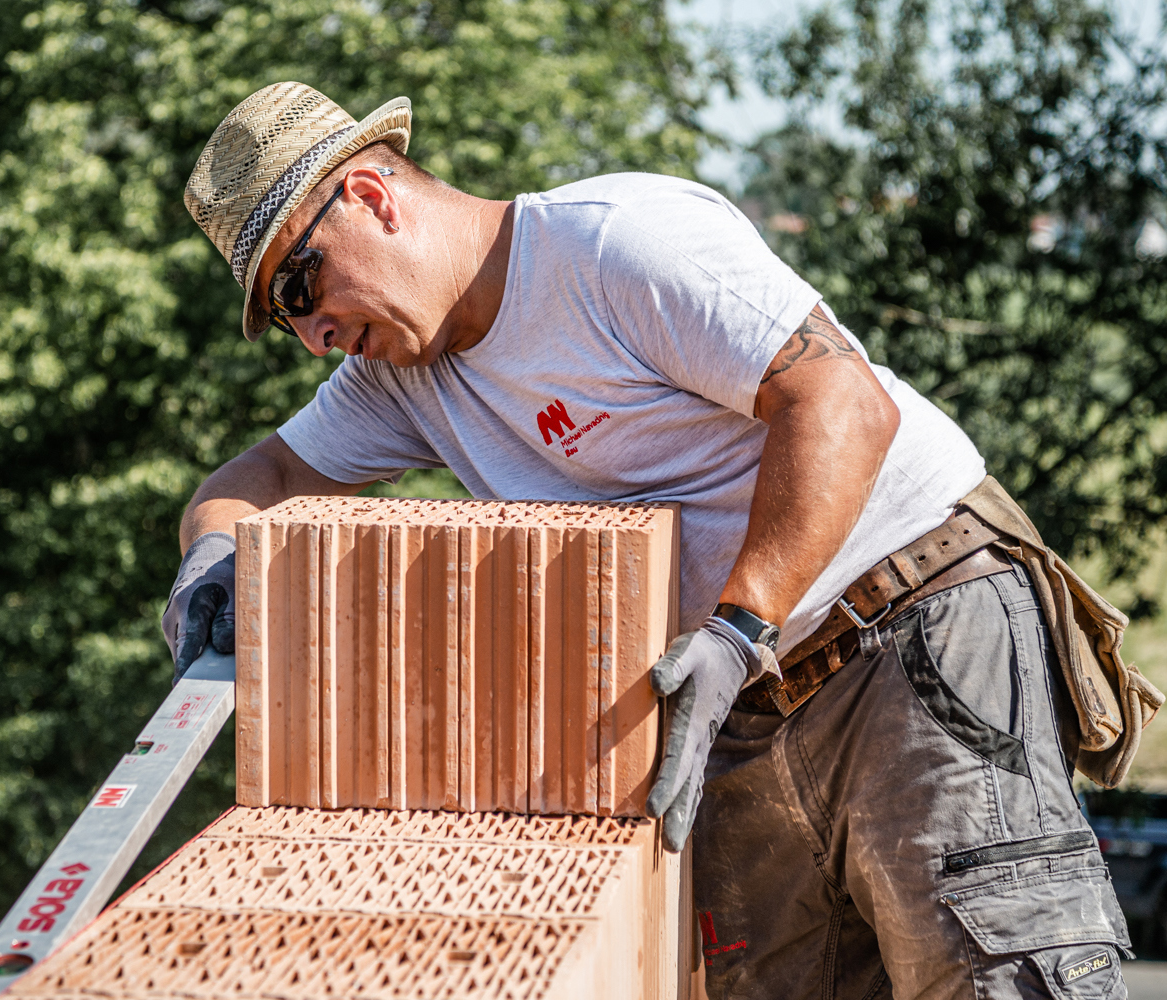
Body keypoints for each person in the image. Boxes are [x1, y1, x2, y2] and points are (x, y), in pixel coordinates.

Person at [162, 82, 1133, 999]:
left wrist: (737, 627)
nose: (311, 334)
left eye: (299, 284)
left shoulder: (612, 245)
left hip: (909, 615)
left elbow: (840, 400)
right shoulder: (404, 383)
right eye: (282, 319)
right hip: (736, 700)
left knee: (999, 970)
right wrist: (212, 560)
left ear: (371, 194)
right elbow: (257, 481)